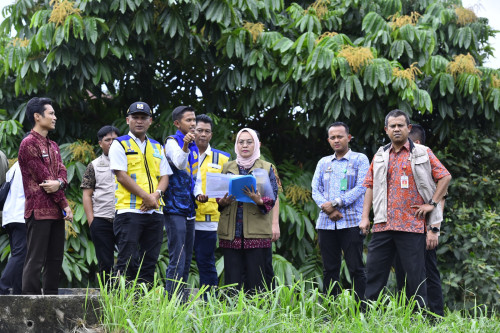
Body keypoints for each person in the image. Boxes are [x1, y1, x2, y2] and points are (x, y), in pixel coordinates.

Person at [359, 110, 451, 308]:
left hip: (412, 225)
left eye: (401, 125)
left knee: (416, 278)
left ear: (409, 129)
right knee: (374, 273)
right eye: (392, 126)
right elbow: (369, 185)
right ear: (386, 130)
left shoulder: (423, 152)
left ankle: (420, 318)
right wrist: (365, 217)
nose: (396, 129)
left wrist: (432, 204)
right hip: (383, 224)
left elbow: (445, 176)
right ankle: (366, 316)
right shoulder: (380, 155)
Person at [108, 101, 171, 285]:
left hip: (155, 212)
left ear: (150, 121)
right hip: (129, 211)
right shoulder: (119, 144)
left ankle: (143, 308)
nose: (139, 121)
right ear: (128, 120)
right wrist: (147, 197)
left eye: (144, 118)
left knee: (149, 262)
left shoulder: (157, 146)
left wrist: (155, 196)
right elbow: (121, 176)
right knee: (127, 261)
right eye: (135, 117)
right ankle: (121, 306)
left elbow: (165, 176)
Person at [18, 97, 73, 295]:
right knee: (35, 259)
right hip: (38, 211)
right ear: (37, 116)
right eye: (51, 113)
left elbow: (62, 174)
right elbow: (45, 179)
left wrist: (59, 183)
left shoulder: (54, 146)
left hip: (56, 212)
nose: (55, 117)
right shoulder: (28, 144)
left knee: (55, 260)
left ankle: (51, 300)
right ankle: (31, 305)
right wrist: (65, 203)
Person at [311, 122, 369, 299]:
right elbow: (315, 189)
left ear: (348, 138)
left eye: (340, 136)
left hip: (351, 221)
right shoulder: (323, 162)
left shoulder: (360, 159)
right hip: (326, 224)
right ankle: (330, 310)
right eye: (333, 137)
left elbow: (362, 187)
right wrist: (328, 209)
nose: (336, 140)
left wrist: (336, 203)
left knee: (356, 268)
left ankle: (362, 311)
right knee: (330, 269)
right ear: (329, 140)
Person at [217, 128, 279, 293]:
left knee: (257, 279)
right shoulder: (227, 167)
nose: (244, 145)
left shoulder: (266, 168)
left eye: (249, 142)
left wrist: (259, 200)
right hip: (231, 231)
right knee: (232, 279)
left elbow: (273, 197)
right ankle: (232, 315)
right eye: (241, 142)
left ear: (257, 144)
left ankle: (259, 315)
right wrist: (222, 201)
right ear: (236, 145)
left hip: (256, 231)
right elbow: (218, 196)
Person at [393, 124, 445, 316]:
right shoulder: (398, 162)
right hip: (401, 229)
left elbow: (441, 198)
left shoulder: (427, 162)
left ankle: (435, 316)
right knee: (403, 274)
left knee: (428, 273)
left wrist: (434, 229)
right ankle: (408, 314)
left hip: (424, 230)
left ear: (415, 143)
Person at [163, 106, 207, 296]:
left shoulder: (196, 147)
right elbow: (180, 164)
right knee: (177, 257)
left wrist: (199, 194)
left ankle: (181, 299)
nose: (193, 124)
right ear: (177, 123)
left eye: (194, 120)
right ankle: (170, 299)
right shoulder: (172, 142)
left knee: (187, 258)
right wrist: (185, 146)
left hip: (190, 209)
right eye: (188, 120)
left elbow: (194, 177)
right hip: (174, 208)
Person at [193, 114, 230, 290]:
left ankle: (209, 302)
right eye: (199, 130)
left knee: (206, 260)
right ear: (193, 131)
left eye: (207, 131)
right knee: (181, 261)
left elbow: (228, 187)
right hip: (185, 216)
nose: (203, 134)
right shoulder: (183, 153)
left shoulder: (222, 158)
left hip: (209, 220)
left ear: (211, 135)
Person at [81, 125, 120, 281]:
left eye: (115, 139)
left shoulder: (130, 163)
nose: (111, 142)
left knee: (131, 259)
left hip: (125, 218)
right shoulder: (94, 165)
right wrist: (92, 222)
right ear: (100, 143)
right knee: (105, 262)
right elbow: (86, 195)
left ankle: (128, 296)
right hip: (102, 219)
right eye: (107, 140)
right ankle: (107, 296)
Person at [0, 161, 26, 295]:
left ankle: (18, 291)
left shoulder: (15, 167)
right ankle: (2, 287)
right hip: (21, 215)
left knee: (19, 254)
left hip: (10, 216)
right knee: (21, 254)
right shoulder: (29, 165)